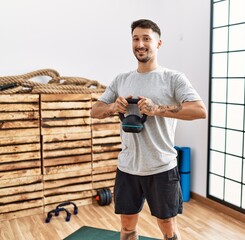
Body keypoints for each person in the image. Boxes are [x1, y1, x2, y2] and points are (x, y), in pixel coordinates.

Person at [90, 19, 207, 240]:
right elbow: (95, 111)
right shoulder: (121, 79)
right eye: (136, 39)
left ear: (158, 43)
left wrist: (157, 109)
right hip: (127, 168)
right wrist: (114, 106)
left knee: (167, 227)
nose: (140, 44)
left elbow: (199, 110)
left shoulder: (172, 78)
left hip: (161, 167)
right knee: (126, 227)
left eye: (146, 39)